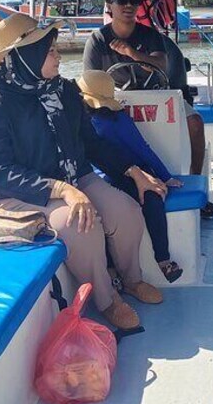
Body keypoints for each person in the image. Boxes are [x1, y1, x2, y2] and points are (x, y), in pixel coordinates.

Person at [0, 13, 164, 331]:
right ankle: (107, 300)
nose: (58, 55)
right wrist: (63, 191)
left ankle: (132, 279)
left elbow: (91, 144)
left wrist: (133, 171)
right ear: (24, 55)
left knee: (126, 211)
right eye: (50, 50)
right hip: (14, 194)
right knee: (81, 224)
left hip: (71, 177)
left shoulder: (63, 91)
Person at [83, 0, 213, 219]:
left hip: (158, 94)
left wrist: (131, 53)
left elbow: (161, 64)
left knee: (195, 122)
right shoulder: (97, 41)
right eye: (122, 0)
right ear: (109, 6)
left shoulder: (150, 35)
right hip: (115, 102)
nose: (128, 5)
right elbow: (90, 80)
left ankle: (195, 179)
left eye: (133, 1)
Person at [77, 69, 185, 283]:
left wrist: (165, 176)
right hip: (102, 179)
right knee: (101, 214)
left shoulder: (118, 120)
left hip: (130, 174)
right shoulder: (80, 123)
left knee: (152, 198)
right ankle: (111, 271)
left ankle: (163, 260)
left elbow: (142, 149)